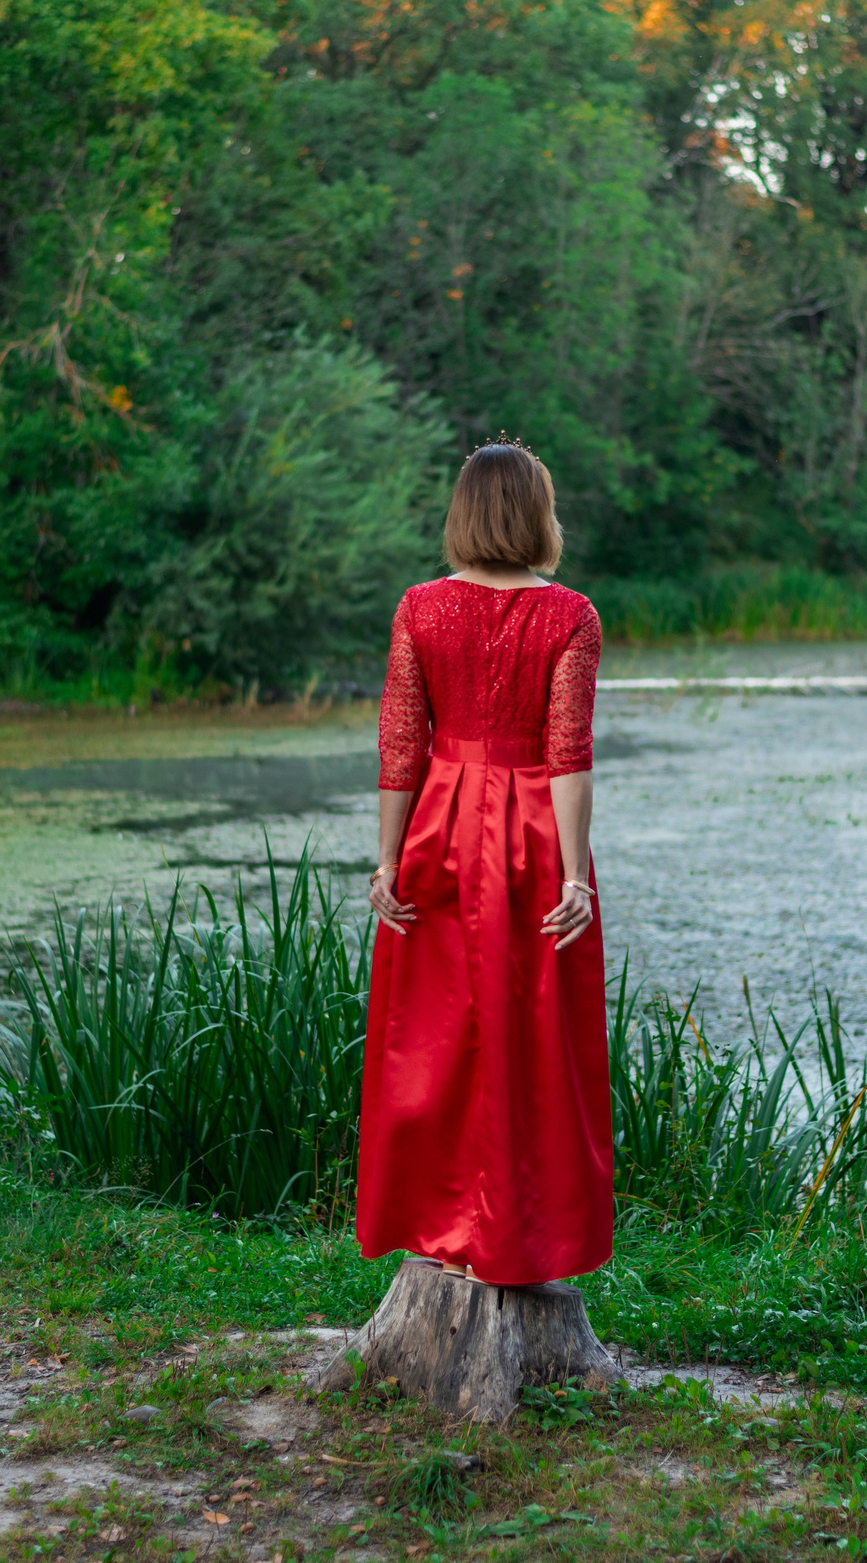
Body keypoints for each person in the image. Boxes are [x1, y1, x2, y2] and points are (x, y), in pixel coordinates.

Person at [356, 441, 612, 1288]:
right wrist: (575, 875)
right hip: (535, 835)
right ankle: (519, 1234)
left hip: (441, 830)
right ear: (537, 514)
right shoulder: (570, 614)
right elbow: (567, 753)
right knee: (534, 1041)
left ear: (463, 514)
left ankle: (439, 1225)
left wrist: (387, 861)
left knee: (434, 1037)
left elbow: (402, 745)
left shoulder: (419, 608)